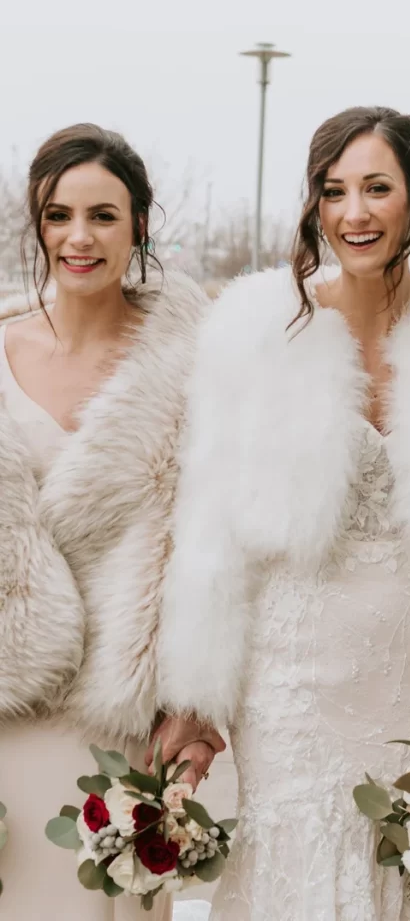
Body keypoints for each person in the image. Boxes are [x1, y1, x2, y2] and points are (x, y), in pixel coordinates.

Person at [159, 105, 410, 920]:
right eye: (334, 191)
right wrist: (193, 690)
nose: (353, 212)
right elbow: (209, 525)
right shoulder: (253, 332)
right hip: (289, 681)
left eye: (376, 188)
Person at [0, 123, 224, 920]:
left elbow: (221, 542)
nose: (79, 236)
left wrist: (199, 695)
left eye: (103, 214)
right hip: (8, 705)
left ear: (140, 225)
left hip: (127, 714)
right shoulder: (0, 348)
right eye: (58, 215)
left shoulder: (197, 361)